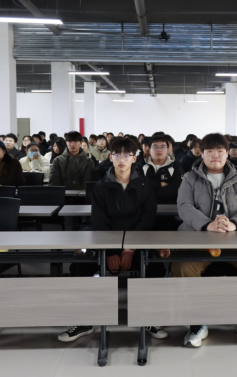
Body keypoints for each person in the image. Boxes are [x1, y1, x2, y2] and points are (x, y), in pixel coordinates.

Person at [59, 137, 166, 343]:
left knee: (155, 266)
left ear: (134, 158)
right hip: (107, 245)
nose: (122, 159)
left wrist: (130, 249)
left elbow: (147, 220)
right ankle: (84, 321)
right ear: (111, 157)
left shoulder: (144, 185)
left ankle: (149, 318)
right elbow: (99, 222)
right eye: (117, 155)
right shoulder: (101, 187)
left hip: (137, 244)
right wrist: (110, 252)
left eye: (127, 155)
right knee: (79, 266)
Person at [172, 133, 237, 348]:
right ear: (202, 154)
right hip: (199, 239)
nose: (215, 155)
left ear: (227, 153)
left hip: (236, 239)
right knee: (182, 266)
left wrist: (234, 224)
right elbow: (184, 206)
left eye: (220, 151)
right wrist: (206, 224)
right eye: (210, 151)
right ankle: (197, 322)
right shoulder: (190, 178)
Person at [142, 135, 184, 204]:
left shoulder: (176, 166)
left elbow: (177, 189)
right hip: (144, 206)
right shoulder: (141, 166)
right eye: (155, 147)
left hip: (169, 207)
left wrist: (149, 190)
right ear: (149, 150)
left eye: (162, 147)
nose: (159, 150)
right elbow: (138, 187)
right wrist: (160, 184)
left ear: (167, 150)